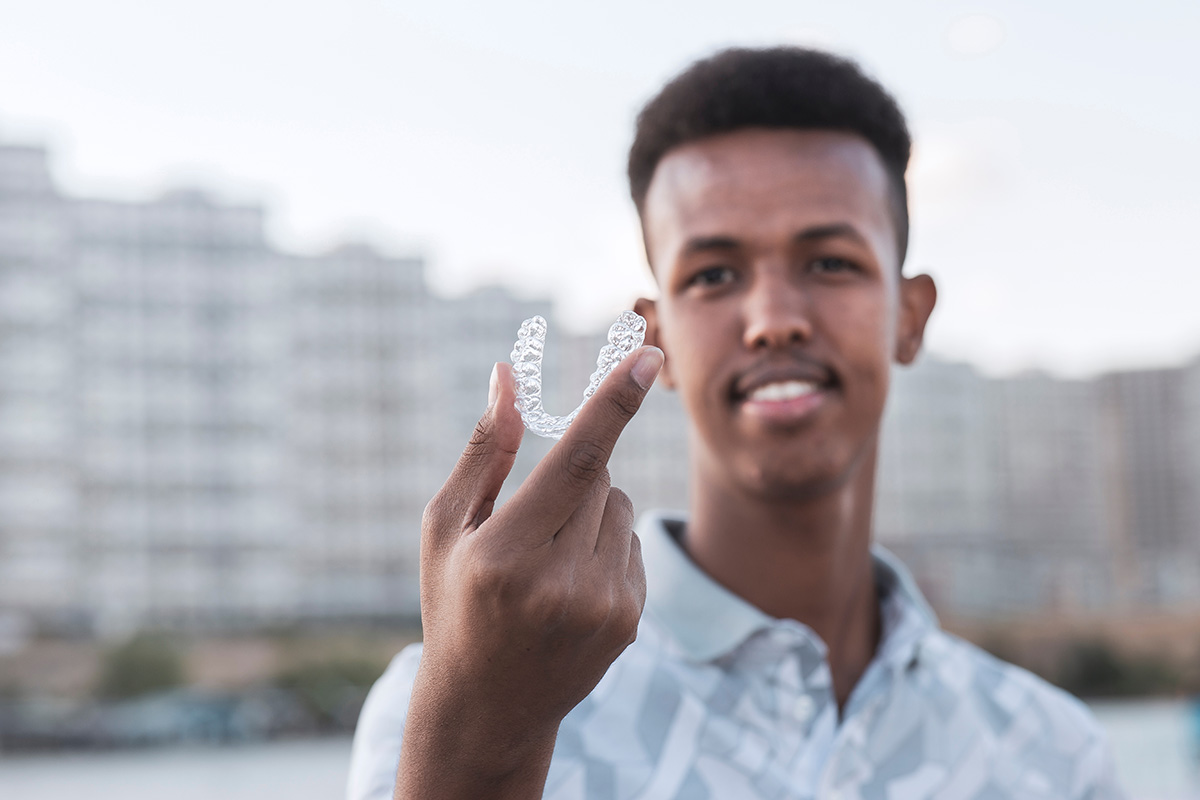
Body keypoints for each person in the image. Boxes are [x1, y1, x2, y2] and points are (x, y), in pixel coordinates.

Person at [347, 47, 1125, 799]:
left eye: (831, 263)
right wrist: (486, 742)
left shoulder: (1051, 754)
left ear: (909, 315)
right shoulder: (451, 709)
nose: (774, 321)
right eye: (714, 275)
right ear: (659, 337)